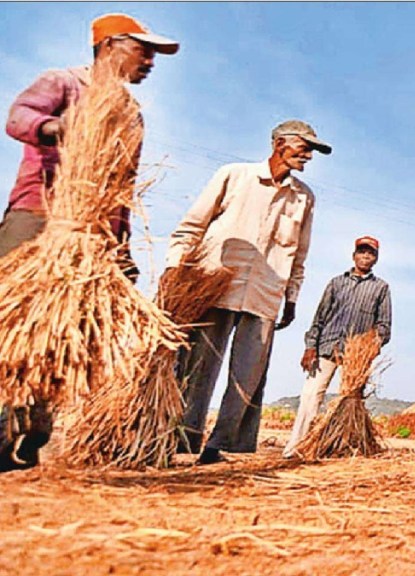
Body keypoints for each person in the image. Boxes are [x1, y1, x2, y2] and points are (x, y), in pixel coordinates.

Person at [0, 13, 178, 473]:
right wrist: (58, 129)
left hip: (91, 235)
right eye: (144, 50)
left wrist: (121, 247)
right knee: (10, 328)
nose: (151, 61)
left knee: (64, 336)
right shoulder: (64, 82)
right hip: (39, 217)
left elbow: (121, 186)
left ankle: (34, 434)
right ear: (110, 45)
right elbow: (19, 117)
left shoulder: (131, 113)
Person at [168, 120, 330, 465]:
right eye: (304, 147)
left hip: (265, 292)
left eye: (311, 151)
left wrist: (292, 297)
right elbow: (193, 225)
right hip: (215, 283)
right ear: (279, 143)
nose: (308, 156)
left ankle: (217, 447)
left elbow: (299, 254)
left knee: (248, 374)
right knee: (198, 365)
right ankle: (182, 440)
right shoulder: (235, 176)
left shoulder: (304, 198)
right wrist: (175, 268)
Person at [283, 236, 392, 457]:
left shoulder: (381, 288)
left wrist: (371, 347)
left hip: (357, 357)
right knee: (310, 395)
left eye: (370, 253)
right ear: (354, 255)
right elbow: (319, 318)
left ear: (376, 259)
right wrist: (310, 346)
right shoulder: (336, 283)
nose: (365, 256)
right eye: (362, 252)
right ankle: (296, 448)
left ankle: (347, 447)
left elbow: (384, 325)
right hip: (327, 347)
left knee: (351, 402)